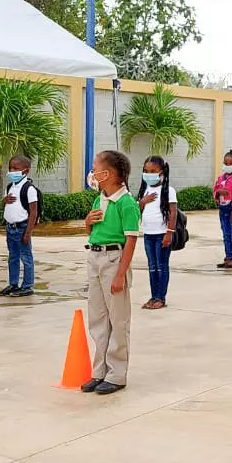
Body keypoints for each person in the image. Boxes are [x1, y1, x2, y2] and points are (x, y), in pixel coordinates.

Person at [80, 150, 139, 394]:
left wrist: (120, 275)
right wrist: (87, 223)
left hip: (114, 259)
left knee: (118, 318)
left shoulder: (127, 203)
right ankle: (99, 371)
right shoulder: (99, 199)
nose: (92, 173)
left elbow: (131, 240)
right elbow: (92, 230)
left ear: (110, 174)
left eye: (96, 168)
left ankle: (117, 373)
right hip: (94, 256)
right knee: (98, 318)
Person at [137, 155, 179, 310]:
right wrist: (143, 201)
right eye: (146, 171)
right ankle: (153, 296)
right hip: (148, 234)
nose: (149, 174)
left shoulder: (169, 191)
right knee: (152, 266)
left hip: (162, 234)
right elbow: (138, 209)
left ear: (162, 172)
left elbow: (173, 212)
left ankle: (160, 297)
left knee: (162, 266)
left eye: (153, 171)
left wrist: (169, 232)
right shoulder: (145, 190)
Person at [0, 156, 38, 298]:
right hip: (10, 228)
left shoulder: (29, 189)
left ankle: (27, 285)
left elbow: (33, 212)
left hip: (22, 228)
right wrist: (4, 200)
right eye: (10, 168)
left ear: (25, 171)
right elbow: (5, 204)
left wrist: (28, 232)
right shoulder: (10, 187)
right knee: (13, 257)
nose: (12, 171)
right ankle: (13, 284)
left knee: (26, 257)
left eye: (16, 168)